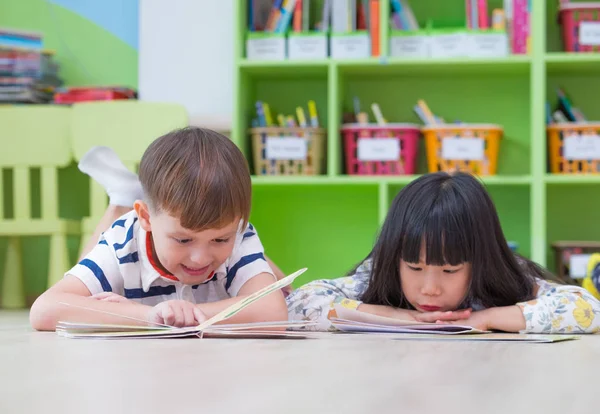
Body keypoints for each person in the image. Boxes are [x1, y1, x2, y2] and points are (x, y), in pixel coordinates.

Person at [30, 127, 287, 330]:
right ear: (146, 217)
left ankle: (128, 195)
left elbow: (273, 311)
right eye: (183, 240)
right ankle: (122, 201)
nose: (200, 258)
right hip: (130, 229)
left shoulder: (240, 234)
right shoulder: (123, 242)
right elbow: (45, 309)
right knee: (92, 258)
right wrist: (151, 316)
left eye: (220, 240)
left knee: (282, 286)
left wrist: (187, 316)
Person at [287, 171, 600, 334]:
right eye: (414, 267)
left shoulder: (503, 281)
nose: (429, 288)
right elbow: (299, 304)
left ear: (480, 260)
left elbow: (587, 308)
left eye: (450, 270)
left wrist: (485, 318)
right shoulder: (382, 274)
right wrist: (399, 317)